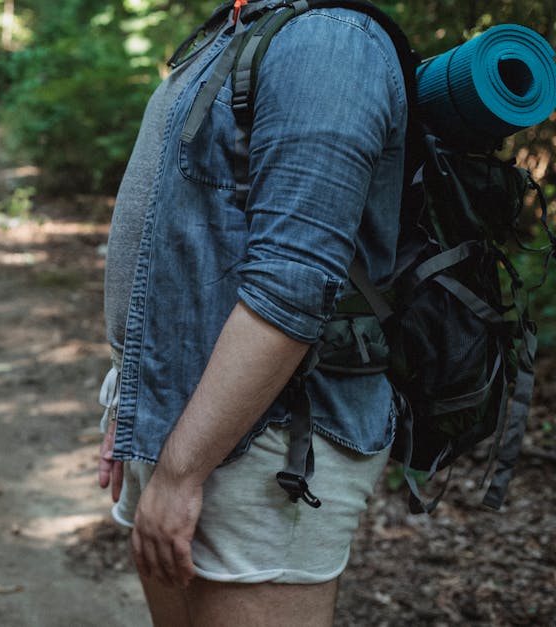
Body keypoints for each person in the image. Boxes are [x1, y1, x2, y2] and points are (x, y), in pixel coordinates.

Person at [97, 2, 407, 625]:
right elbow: (175, 240)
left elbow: (291, 287)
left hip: (273, 445)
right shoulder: (238, 28)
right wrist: (133, 404)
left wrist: (181, 472)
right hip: (188, 418)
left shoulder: (328, 42)